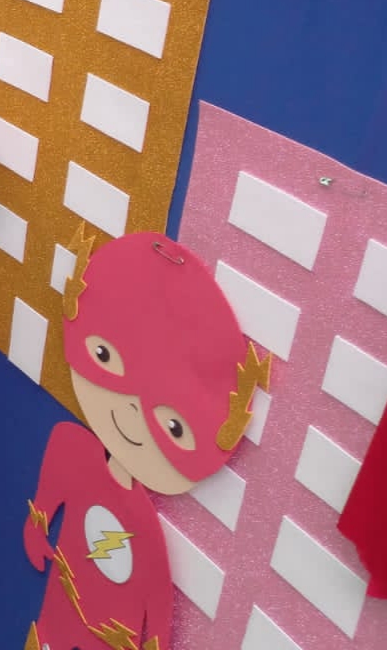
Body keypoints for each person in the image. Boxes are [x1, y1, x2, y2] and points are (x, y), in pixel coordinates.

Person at [23, 229, 271, 650]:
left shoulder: (140, 518)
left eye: (174, 427)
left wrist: (153, 639)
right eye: (104, 356)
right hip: (58, 610)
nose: (130, 415)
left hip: (111, 633)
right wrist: (37, 526)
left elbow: (155, 597)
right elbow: (50, 493)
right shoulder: (73, 448)